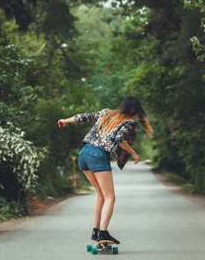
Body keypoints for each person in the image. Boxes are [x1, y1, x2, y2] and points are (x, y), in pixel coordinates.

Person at [57, 96, 153, 245]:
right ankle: (103, 233)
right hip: (98, 155)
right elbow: (120, 139)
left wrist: (65, 121)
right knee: (110, 197)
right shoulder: (129, 123)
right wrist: (133, 153)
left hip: (84, 154)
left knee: (101, 195)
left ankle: (96, 232)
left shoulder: (107, 113)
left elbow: (84, 117)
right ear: (134, 110)